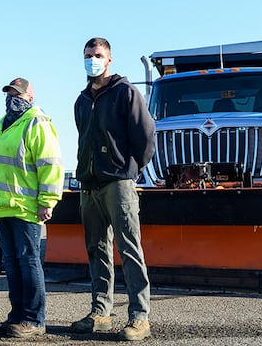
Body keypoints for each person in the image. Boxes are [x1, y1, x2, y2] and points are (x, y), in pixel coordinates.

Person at [72, 37, 156, 341]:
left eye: (97, 55)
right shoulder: (82, 100)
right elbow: (84, 139)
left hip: (117, 183)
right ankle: (101, 312)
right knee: (97, 250)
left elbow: (145, 137)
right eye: (87, 55)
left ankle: (139, 317)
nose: (92, 59)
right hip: (89, 185)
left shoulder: (125, 93)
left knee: (129, 248)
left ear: (109, 60)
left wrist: (129, 171)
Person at [0, 77, 64, 338]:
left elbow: (50, 164)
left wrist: (47, 202)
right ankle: (16, 317)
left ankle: (34, 320)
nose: (11, 98)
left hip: (26, 208)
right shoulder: (1, 125)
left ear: (30, 97)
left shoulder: (37, 123)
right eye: (8, 93)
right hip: (3, 207)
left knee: (29, 263)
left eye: (17, 93)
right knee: (13, 264)